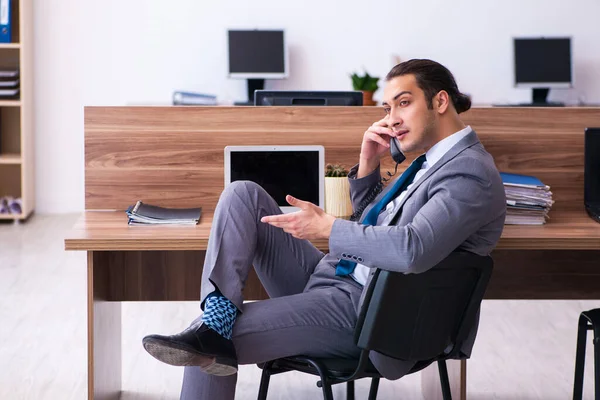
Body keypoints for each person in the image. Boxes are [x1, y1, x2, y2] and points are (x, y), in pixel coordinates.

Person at [142, 59, 507, 399]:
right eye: (387, 108)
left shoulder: (469, 172)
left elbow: (411, 250)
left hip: (364, 314)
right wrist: (367, 163)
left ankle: (214, 327)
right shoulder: (429, 162)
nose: (392, 118)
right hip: (332, 278)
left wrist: (328, 227)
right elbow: (374, 222)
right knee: (243, 194)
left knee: (206, 339)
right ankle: (219, 309)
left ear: (440, 101)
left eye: (403, 103)